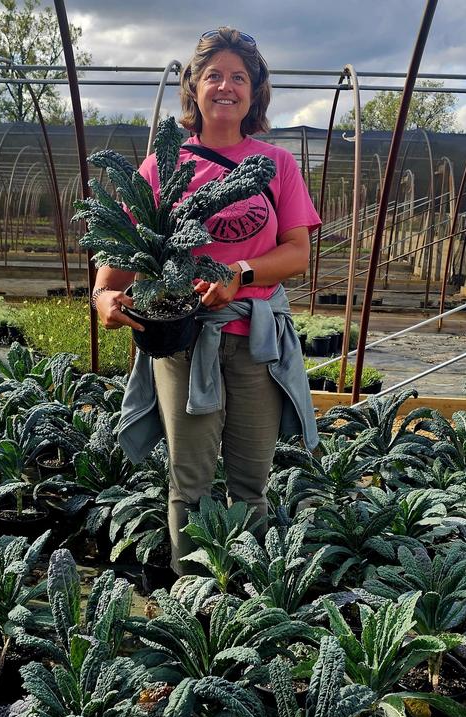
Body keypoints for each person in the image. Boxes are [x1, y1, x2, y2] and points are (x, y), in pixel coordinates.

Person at [90, 26, 320, 574]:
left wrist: (239, 273)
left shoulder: (276, 165)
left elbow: (297, 253)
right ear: (193, 87)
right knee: (188, 480)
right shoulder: (161, 165)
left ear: (254, 92)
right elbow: (124, 246)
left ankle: (246, 600)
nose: (225, 86)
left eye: (238, 77)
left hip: (255, 343)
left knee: (250, 481)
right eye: (213, 74)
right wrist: (103, 295)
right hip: (181, 339)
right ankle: (190, 602)